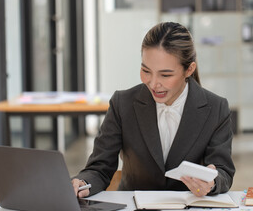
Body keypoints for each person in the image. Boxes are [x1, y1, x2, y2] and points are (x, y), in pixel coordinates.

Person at [72, 22, 235, 198]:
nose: (153, 83)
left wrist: (212, 182)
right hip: (134, 210)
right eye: (146, 71)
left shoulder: (216, 108)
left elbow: (223, 171)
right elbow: (99, 168)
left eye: (165, 75)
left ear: (189, 69)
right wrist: (82, 183)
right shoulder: (123, 103)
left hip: (189, 210)